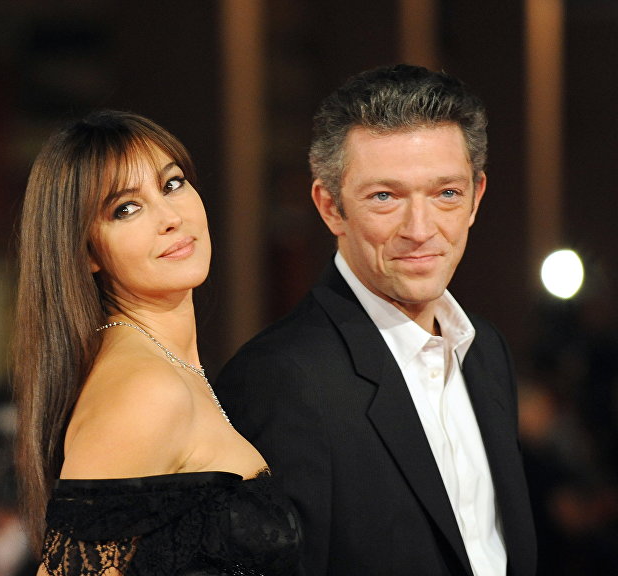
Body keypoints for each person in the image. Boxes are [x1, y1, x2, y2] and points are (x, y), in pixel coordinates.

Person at [216, 64, 537, 575]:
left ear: (476, 197)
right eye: (385, 196)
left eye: (446, 194)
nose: (420, 229)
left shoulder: (486, 349)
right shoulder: (280, 380)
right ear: (330, 207)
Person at [12, 110, 301, 576]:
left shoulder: (167, 369)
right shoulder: (144, 389)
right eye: (126, 208)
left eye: (172, 184)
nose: (170, 217)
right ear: (86, 252)